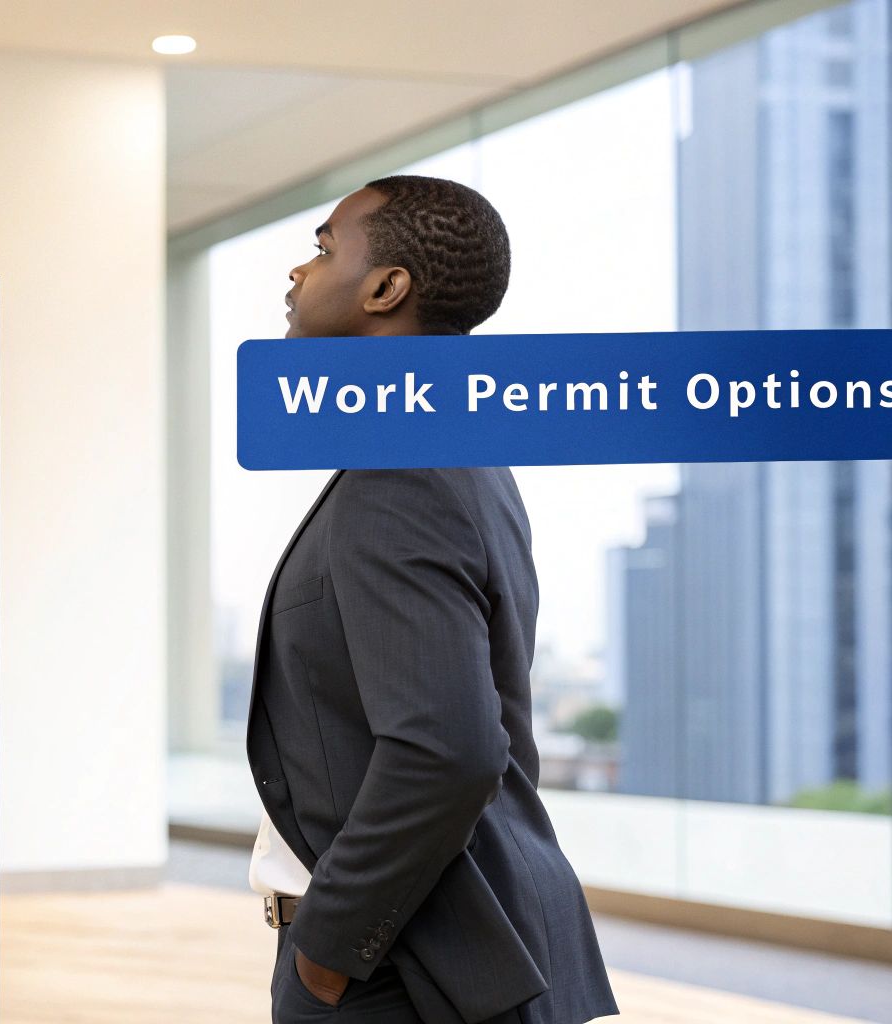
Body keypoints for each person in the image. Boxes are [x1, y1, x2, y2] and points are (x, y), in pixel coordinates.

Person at [246, 176, 619, 1023]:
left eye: (323, 247)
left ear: (387, 288)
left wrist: (327, 956)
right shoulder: (453, 447)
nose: (299, 274)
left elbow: (446, 750)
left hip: (408, 969)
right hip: (442, 949)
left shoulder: (405, 472)